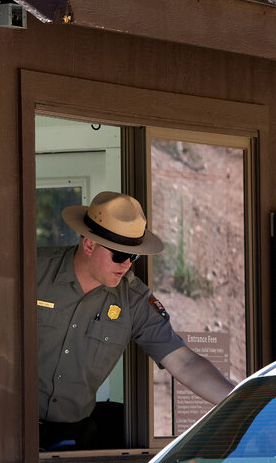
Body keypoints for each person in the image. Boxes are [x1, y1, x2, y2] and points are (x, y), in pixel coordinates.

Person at [37, 191, 236, 450]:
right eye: (119, 255)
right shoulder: (33, 271)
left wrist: (242, 402)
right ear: (89, 244)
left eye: (134, 256)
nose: (127, 265)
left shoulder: (133, 299)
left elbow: (184, 363)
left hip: (71, 437)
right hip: (7, 424)